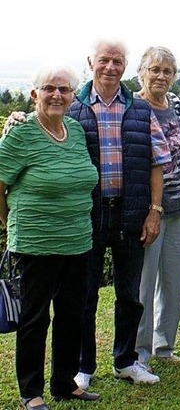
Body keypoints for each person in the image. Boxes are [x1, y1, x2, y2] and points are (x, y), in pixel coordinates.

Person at [71, 40, 171, 388]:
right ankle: (83, 367)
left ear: (125, 66)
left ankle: (126, 361)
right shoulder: (73, 107)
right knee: (86, 294)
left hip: (131, 215)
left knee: (130, 294)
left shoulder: (141, 110)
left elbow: (159, 163)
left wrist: (155, 211)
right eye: (104, 60)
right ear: (91, 63)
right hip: (88, 215)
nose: (110, 67)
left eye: (117, 61)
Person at [0, 65, 99, 410]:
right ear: (34, 95)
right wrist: (11, 224)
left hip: (77, 240)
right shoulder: (20, 134)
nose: (57, 95)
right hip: (35, 243)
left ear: (73, 96)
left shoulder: (73, 129)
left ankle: (64, 383)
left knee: (72, 314)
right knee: (35, 318)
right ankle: (31, 392)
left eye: (64, 89)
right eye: (49, 89)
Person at [134, 47, 180, 371]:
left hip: (178, 205)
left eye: (168, 71)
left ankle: (164, 346)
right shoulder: (133, 107)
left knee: (172, 281)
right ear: (142, 71)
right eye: (155, 69)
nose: (161, 76)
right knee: (143, 282)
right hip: (145, 209)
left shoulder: (178, 105)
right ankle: (140, 351)